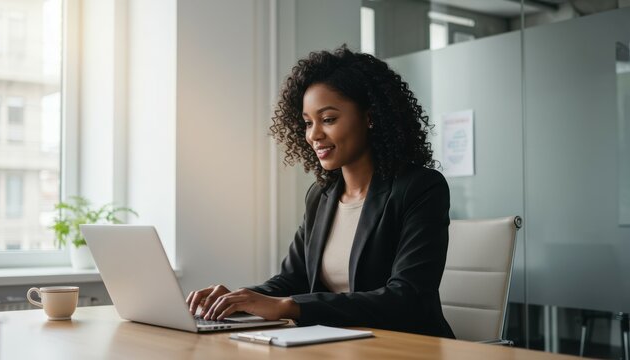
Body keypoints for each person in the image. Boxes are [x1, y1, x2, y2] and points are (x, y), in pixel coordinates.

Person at [186, 45, 455, 338]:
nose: (314, 135)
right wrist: (238, 299)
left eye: (328, 119)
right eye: (307, 123)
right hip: (338, 346)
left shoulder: (420, 188)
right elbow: (292, 280)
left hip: (406, 348)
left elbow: (406, 298)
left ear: (370, 116)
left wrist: (289, 307)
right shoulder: (321, 195)